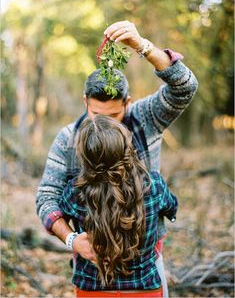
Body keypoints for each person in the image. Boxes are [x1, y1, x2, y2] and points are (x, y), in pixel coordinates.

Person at [36, 20, 198, 296]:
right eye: (96, 115)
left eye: (113, 116)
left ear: (128, 102)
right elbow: (46, 197)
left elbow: (185, 87)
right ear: (84, 100)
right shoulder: (68, 138)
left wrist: (141, 46)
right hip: (92, 267)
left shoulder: (147, 117)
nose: (105, 124)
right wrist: (73, 239)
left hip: (147, 261)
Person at [59, 115, 178, 297]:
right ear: (126, 148)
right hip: (144, 289)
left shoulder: (75, 192)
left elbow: (59, 216)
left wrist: (72, 239)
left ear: (85, 157)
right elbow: (172, 207)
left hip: (93, 289)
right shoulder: (153, 185)